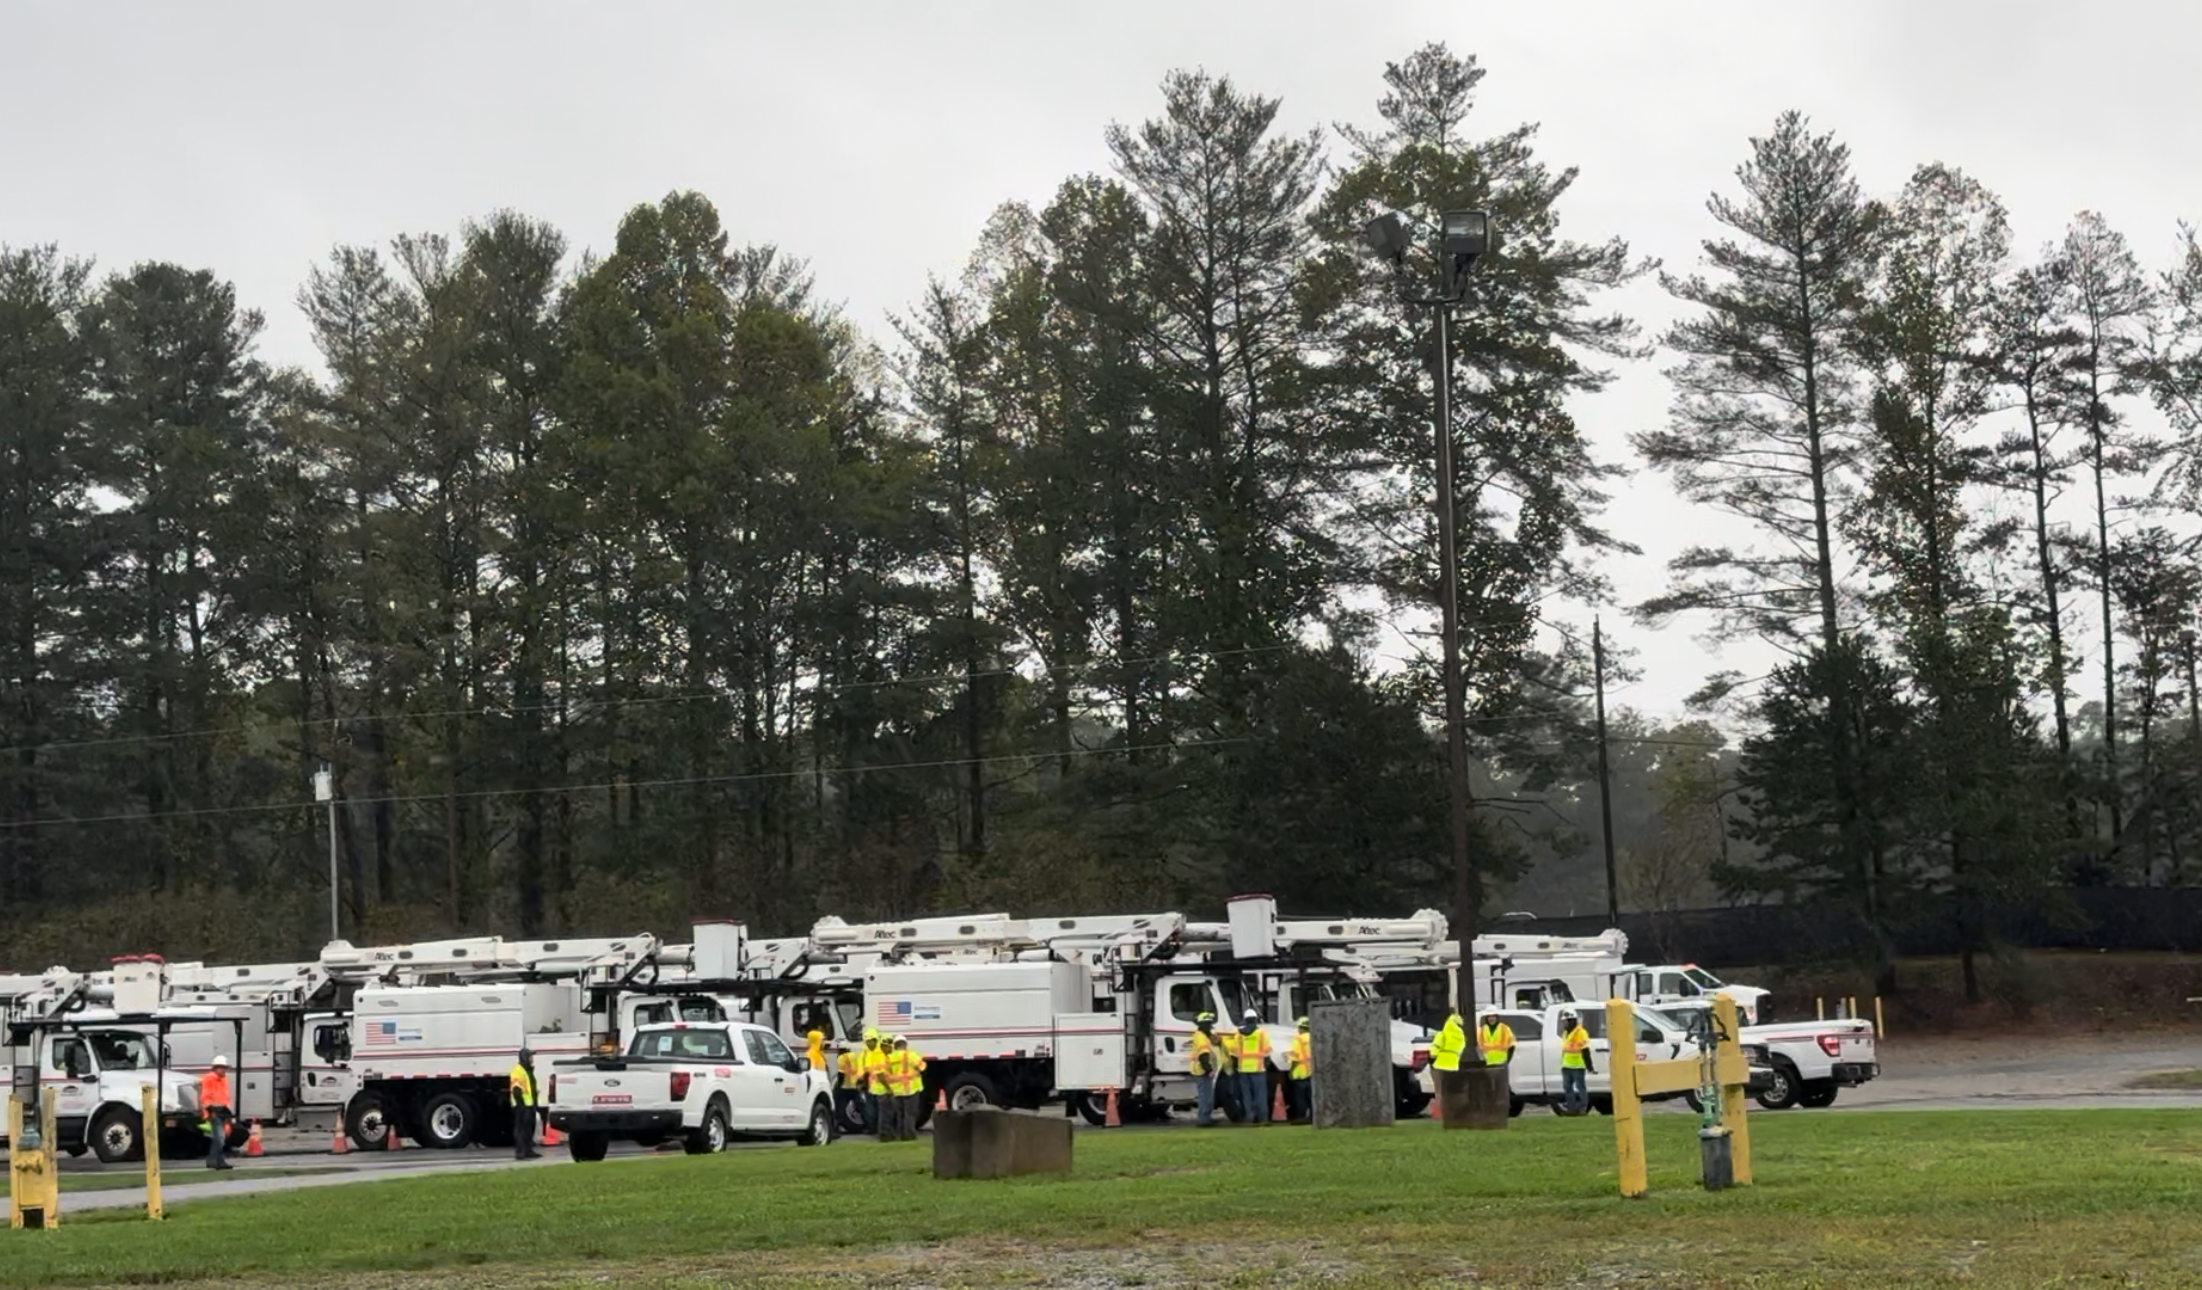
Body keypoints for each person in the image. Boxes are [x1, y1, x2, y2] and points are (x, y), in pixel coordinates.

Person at [1233, 1009, 1271, 1124]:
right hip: (1258, 1068)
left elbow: (1234, 1053)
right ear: (1255, 1019)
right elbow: (1267, 1052)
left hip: (1243, 1069)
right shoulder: (1261, 1033)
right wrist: (1266, 1065)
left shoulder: (1238, 1034)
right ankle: (1263, 1119)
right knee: (1260, 1095)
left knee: (1246, 1096)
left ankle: (1249, 1117)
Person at [199, 1055, 236, 1170]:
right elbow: (205, 1096)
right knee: (219, 1138)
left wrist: (228, 1112)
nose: (224, 1070)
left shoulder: (223, 1079)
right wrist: (210, 1110)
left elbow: (225, 1097)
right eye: (222, 1068)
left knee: (220, 1138)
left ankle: (219, 1161)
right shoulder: (209, 1078)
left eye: (225, 1068)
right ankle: (213, 1161)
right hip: (214, 1111)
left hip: (222, 1111)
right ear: (216, 1068)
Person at [1189, 1011, 1222, 1127]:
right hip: (1202, 1071)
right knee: (1206, 1097)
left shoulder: (1200, 1035)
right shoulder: (1202, 1038)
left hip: (1199, 1070)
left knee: (1205, 1096)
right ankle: (1204, 1120)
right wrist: (1209, 1070)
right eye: (1209, 1024)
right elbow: (1203, 1056)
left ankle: (1205, 1118)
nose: (1211, 1027)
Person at [509, 1047, 540, 1159]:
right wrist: (521, 1105)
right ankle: (521, 1152)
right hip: (521, 1105)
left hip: (529, 1105)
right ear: (525, 1058)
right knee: (521, 1130)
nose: (532, 1059)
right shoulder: (518, 1071)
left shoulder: (527, 1070)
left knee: (528, 1129)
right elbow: (516, 1090)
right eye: (531, 1056)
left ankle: (528, 1151)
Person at [1559, 1011, 1593, 1114]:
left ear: (1572, 1021)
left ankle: (1583, 1108)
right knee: (1567, 1087)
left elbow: (1585, 1050)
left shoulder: (1581, 1033)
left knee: (1580, 1087)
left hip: (1578, 1065)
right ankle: (1571, 1108)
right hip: (1566, 1064)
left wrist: (1589, 1066)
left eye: (1566, 1022)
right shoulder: (1565, 1033)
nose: (1564, 1024)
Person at [860, 1028, 889, 1136]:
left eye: (871, 1040)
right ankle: (873, 1128)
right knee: (871, 1110)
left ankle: (882, 1131)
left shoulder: (880, 1053)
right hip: (871, 1086)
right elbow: (866, 1069)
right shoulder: (867, 1053)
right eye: (867, 1041)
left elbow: (881, 1073)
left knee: (882, 1112)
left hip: (881, 1087)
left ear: (876, 1040)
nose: (869, 1043)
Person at [834, 1041, 864, 1134]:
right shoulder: (855, 1056)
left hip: (845, 1087)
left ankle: (838, 1126)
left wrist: (837, 1087)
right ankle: (868, 1124)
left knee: (840, 1107)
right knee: (861, 1107)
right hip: (855, 1086)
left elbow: (841, 1074)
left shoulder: (841, 1058)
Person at [1287, 1017, 1313, 1123]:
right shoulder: (1316, 1037)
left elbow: (1295, 1057)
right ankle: (1313, 1117)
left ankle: (1301, 1117)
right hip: (1313, 1072)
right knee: (1311, 1097)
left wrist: (1291, 1071)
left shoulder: (1298, 1039)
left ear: (1301, 1028)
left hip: (1300, 1072)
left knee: (1300, 1098)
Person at [1430, 1008, 1467, 1076]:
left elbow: (1435, 1048)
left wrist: (1432, 1056)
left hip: (1440, 1065)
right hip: (1454, 1065)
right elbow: (1462, 1049)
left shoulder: (1442, 1034)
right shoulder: (1461, 1037)